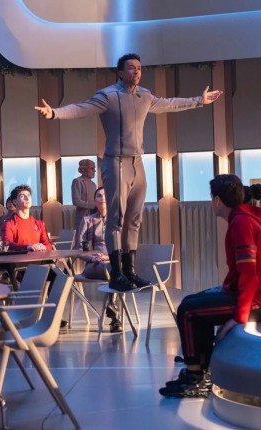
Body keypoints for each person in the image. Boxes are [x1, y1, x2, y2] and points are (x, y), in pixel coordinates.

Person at [35, 53, 223, 292]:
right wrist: (55, 112)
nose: (136, 72)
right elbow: (81, 108)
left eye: (139, 68)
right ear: (121, 72)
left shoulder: (145, 96)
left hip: (137, 163)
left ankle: (129, 271)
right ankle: (116, 274)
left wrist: (199, 100)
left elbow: (169, 103)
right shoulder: (108, 96)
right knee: (116, 218)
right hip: (116, 162)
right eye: (131, 68)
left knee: (134, 219)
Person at [158, 175, 261, 398]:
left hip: (260, 302)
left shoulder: (241, 223)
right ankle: (201, 369)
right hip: (259, 296)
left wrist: (238, 318)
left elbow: (250, 275)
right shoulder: (242, 219)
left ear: (217, 200)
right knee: (191, 302)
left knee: (188, 311)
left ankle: (196, 377)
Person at [77, 187, 122, 332]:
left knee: (115, 270)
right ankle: (114, 314)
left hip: (112, 262)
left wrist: (108, 257)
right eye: (99, 196)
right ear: (94, 201)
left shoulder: (117, 221)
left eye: (105, 195)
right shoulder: (87, 220)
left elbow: (124, 248)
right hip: (93, 265)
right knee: (117, 272)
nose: (102, 198)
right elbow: (79, 249)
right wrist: (92, 258)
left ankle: (113, 311)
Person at [1, 185, 53, 251]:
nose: (27, 198)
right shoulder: (9, 224)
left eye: (28, 195)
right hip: (19, 257)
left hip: (38, 257)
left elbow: (48, 245)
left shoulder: (40, 224)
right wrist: (27, 247)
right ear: (15, 201)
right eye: (22, 196)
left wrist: (44, 247)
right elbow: (7, 244)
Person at [72, 159, 98, 241]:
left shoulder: (94, 185)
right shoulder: (77, 181)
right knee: (81, 241)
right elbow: (76, 201)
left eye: (94, 168)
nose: (94, 171)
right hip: (82, 218)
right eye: (92, 168)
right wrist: (93, 205)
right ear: (83, 169)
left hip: (93, 217)